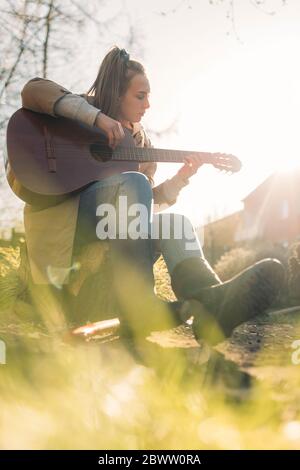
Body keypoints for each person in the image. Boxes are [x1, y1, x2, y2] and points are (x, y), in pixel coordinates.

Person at [19, 46, 284, 345]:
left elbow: (143, 203)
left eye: (148, 96)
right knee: (132, 182)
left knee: (175, 222)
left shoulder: (142, 145)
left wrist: (180, 180)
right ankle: (139, 303)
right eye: (140, 96)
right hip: (70, 221)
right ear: (117, 94)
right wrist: (97, 120)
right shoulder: (81, 110)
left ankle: (212, 301)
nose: (148, 104)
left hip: (115, 230)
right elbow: (33, 90)